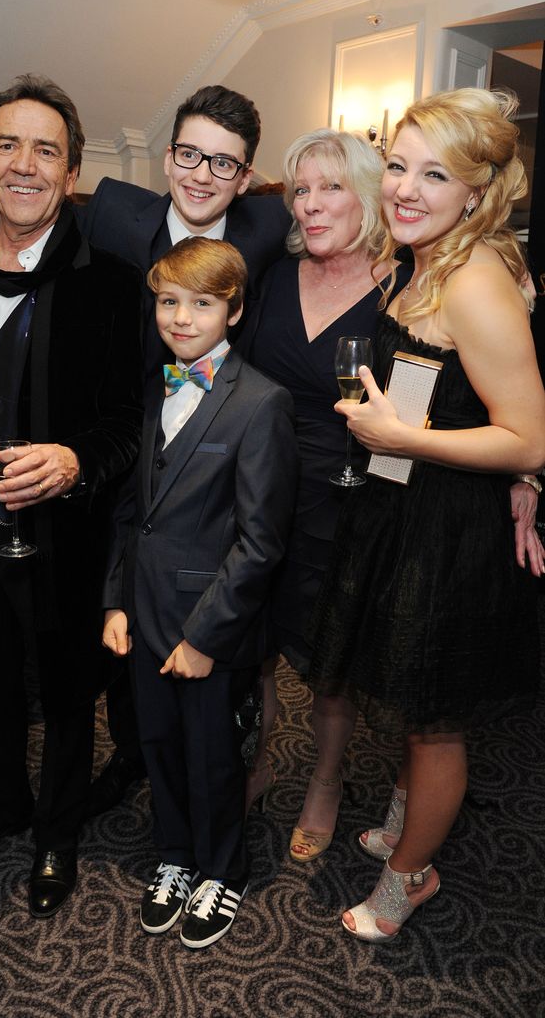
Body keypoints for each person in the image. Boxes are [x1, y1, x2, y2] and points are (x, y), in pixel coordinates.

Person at [0, 84, 291, 818]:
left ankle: (207, 793)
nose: (202, 175)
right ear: (167, 155)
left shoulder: (267, 221)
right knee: (109, 642)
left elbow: (353, 216)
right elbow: (5, 195)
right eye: (189, 154)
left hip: (208, 465)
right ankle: (134, 763)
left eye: (223, 163)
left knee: (205, 634)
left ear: (245, 175)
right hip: (116, 463)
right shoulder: (115, 211)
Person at [308, 87, 545, 942]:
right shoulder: (428, 258)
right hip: (400, 507)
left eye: (433, 173)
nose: (403, 188)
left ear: (475, 192)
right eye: (399, 165)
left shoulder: (476, 280)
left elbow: (528, 439)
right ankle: (413, 827)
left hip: (446, 528)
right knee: (411, 693)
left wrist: (403, 434)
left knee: (435, 716)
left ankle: (409, 876)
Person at [0, 75, 142, 919]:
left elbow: (128, 420)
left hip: (60, 529)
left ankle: (56, 833)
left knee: (65, 684)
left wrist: (75, 458)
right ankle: (1, 807)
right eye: (7, 145)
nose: (24, 164)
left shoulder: (112, 283)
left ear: (72, 173)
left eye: (45, 149)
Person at [102, 237, 297, 949]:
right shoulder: (160, 384)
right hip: (144, 609)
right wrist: (116, 600)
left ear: (235, 309)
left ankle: (223, 868)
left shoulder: (261, 403)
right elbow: (133, 511)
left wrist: (202, 637)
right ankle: (176, 855)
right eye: (168, 301)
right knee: (156, 742)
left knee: (212, 754)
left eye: (202, 303)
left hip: (209, 625)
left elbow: (260, 542)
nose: (181, 317)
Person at [239, 129, 409, 850]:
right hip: (258, 487)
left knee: (330, 657)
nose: (308, 205)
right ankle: (254, 753)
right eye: (299, 189)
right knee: (252, 641)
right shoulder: (274, 276)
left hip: (347, 495)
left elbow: (428, 408)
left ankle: (326, 777)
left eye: (329, 187)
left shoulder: (400, 288)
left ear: (369, 194)